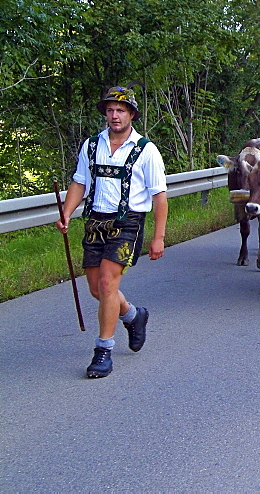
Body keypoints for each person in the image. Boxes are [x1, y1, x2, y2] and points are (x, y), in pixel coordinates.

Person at [56, 84, 168, 379]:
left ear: (131, 113)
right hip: (95, 221)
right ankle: (133, 315)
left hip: (128, 222)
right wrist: (66, 212)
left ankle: (103, 350)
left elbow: (159, 197)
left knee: (107, 283)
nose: (115, 115)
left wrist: (158, 237)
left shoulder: (146, 150)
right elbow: (80, 182)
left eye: (120, 110)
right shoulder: (91, 145)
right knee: (97, 288)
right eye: (110, 110)